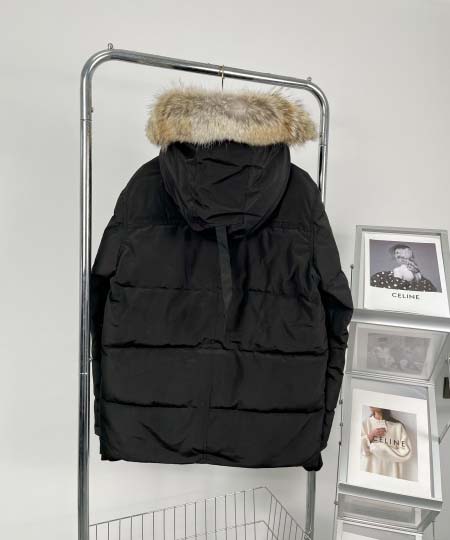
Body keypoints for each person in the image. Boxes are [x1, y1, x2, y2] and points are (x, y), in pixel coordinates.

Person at [361, 407, 412, 479]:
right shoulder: (365, 424)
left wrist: (383, 448)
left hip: (391, 474)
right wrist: (370, 436)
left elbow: (406, 452)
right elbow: (359, 450)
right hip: (369, 473)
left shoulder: (398, 427)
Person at [370, 243, 436, 292]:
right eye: (398, 255)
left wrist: (417, 275)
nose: (402, 258)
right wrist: (397, 276)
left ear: (412, 257)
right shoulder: (381, 277)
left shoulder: (423, 281)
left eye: (405, 255)